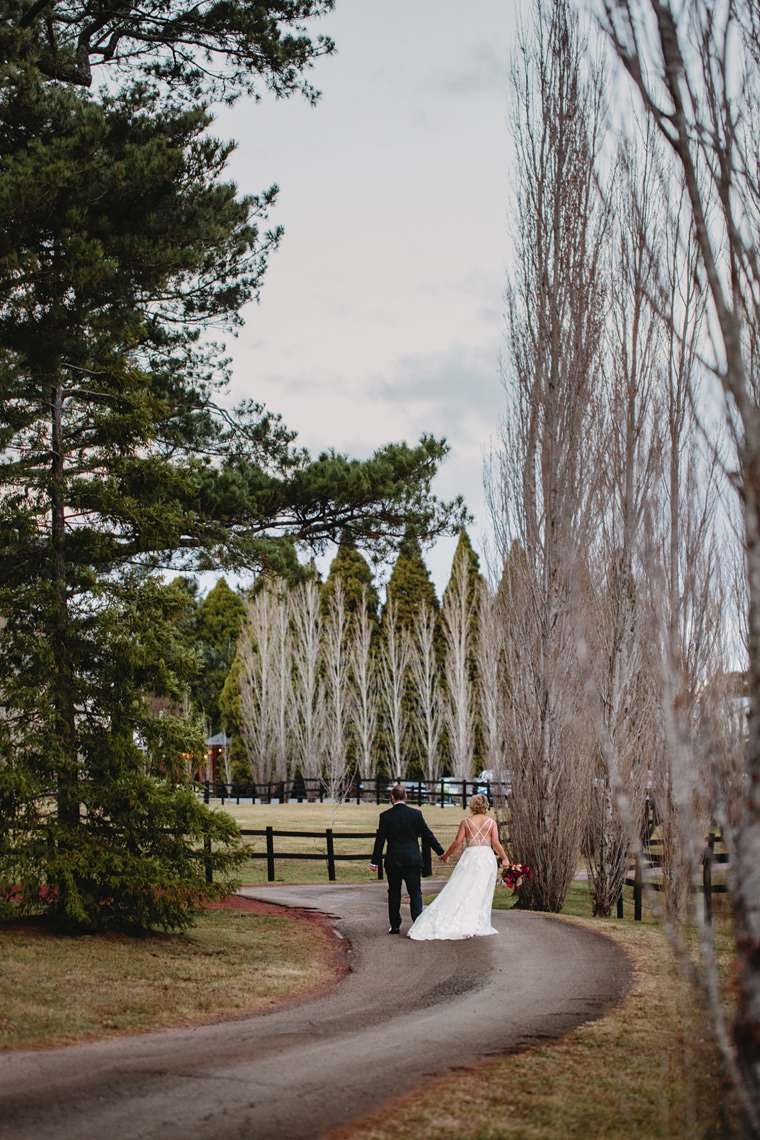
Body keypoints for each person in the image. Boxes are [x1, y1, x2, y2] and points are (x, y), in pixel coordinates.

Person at [407, 793, 508, 941]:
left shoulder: (466, 822)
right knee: (480, 891)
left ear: (472, 805)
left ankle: (463, 920)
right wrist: (504, 858)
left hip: (471, 857)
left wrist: (446, 855)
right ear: (486, 806)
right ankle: (474, 921)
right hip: (486, 858)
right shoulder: (491, 823)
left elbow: (457, 842)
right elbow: (496, 843)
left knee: (463, 887)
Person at [370, 784, 445, 934]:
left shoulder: (385, 816)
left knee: (394, 893)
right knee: (415, 892)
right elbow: (427, 835)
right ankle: (417, 923)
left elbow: (380, 840)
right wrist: (441, 852)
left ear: (392, 797)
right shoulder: (416, 814)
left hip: (394, 861)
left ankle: (395, 925)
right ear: (405, 796)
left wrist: (375, 861)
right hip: (412, 860)